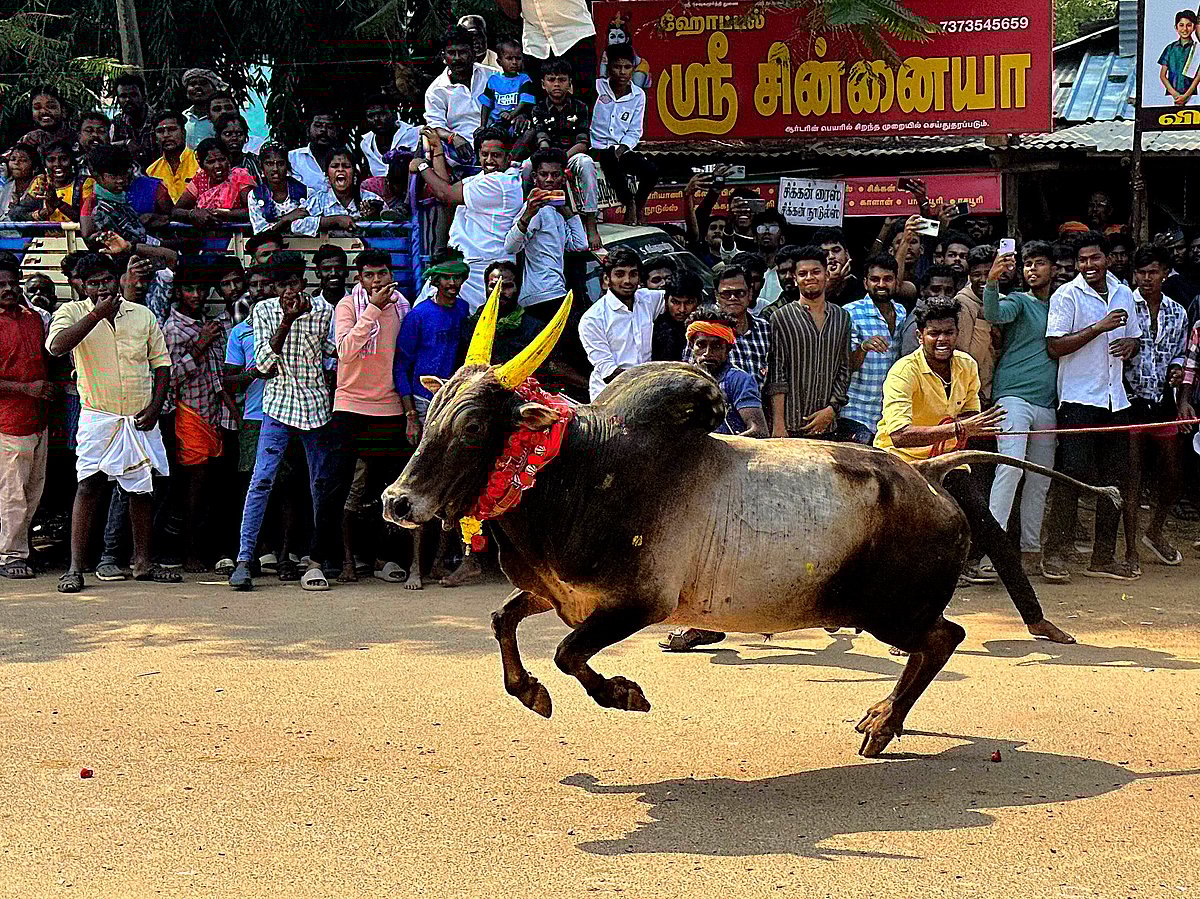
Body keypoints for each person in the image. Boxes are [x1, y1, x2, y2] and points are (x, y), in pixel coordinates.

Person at [874, 297, 1075, 644]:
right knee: (901, 547)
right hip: (901, 466)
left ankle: (1035, 619)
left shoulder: (966, 365)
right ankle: (903, 625)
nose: (942, 340)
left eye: (949, 332)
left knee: (992, 534)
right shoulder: (903, 371)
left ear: (957, 333)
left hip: (949, 461)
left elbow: (969, 416)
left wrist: (973, 426)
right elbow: (899, 435)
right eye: (934, 333)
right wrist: (959, 430)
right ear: (920, 335)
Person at [46, 253, 178, 593]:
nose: (101, 287)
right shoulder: (72, 313)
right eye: (93, 283)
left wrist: (156, 405)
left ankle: (143, 563)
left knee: (141, 489)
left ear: (117, 278)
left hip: (138, 415)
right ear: (81, 286)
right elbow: (57, 347)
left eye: (106, 280)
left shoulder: (142, 315)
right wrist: (96, 315)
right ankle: (75, 568)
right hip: (97, 415)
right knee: (88, 485)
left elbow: (162, 365)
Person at [228, 251, 341, 592]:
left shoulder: (325, 311)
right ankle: (245, 558)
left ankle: (319, 557)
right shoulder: (264, 311)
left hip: (316, 404)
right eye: (281, 285)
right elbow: (263, 364)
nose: (287, 291)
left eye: (292, 283)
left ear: (302, 282)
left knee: (320, 484)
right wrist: (288, 321)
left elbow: (332, 354)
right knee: (261, 480)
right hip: (277, 405)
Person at [658, 304, 767, 653]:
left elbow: (757, 430)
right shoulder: (681, 382)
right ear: (691, 346)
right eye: (699, 345)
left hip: (731, 481)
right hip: (690, 481)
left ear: (728, 348)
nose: (706, 353)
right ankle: (703, 622)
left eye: (715, 346)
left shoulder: (738, 381)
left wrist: (709, 446)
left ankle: (703, 624)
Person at [1042, 231, 1142, 582]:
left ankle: (1103, 557)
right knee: (1071, 477)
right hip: (1077, 400)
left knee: (1115, 480)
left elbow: (1134, 337)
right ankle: (1054, 554)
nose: (1089, 266)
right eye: (1083, 260)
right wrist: (1098, 328)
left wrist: (1131, 344)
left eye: (1094, 258)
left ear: (1107, 259)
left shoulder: (1124, 293)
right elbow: (1055, 347)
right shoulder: (1066, 296)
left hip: (1116, 400)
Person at [332, 248, 412, 585]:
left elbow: (404, 359)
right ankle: (348, 560)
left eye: (381, 274)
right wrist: (373, 312)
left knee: (387, 489)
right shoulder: (348, 306)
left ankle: (383, 559)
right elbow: (346, 351)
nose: (376, 280)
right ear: (359, 278)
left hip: (389, 407)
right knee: (350, 488)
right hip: (350, 406)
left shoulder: (403, 306)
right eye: (369, 275)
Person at [394, 250, 473, 589]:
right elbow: (401, 366)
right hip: (425, 402)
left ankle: (440, 561)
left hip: (452, 401)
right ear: (435, 280)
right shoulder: (418, 316)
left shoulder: (463, 311)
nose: (453, 284)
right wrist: (411, 414)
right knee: (420, 482)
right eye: (447, 278)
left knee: (447, 486)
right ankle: (415, 566)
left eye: (458, 278)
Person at [983, 241, 1060, 578]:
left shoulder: (1064, 304)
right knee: (1010, 470)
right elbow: (993, 314)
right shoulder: (1019, 301)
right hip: (1012, 396)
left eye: (1039, 263)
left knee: (1039, 479)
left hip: (1046, 402)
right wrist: (992, 281)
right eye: (1027, 264)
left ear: (1053, 269)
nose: (1032, 269)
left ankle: (1031, 551)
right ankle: (991, 555)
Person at [161, 260, 233, 572]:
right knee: (193, 489)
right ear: (178, 292)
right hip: (188, 415)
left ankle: (199, 550)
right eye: (190, 289)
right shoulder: (174, 330)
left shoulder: (205, 322)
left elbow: (217, 375)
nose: (197, 295)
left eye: (202, 289)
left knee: (207, 490)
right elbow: (168, 378)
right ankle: (189, 555)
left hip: (212, 414)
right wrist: (199, 347)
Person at [1123, 246, 1188, 572]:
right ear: (1135, 274)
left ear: (1165, 273)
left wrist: (1177, 370)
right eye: (1141, 272)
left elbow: (1181, 354)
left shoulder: (1178, 312)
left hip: (1163, 401)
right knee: (1132, 478)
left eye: (1153, 272)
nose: (1147, 278)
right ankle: (1131, 549)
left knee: (1174, 475)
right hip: (1129, 401)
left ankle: (1155, 531)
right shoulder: (1122, 306)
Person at [413, 127, 524, 310]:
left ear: (507, 157)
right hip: (465, 265)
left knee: (475, 329)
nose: (489, 161)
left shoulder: (500, 183)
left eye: (496, 155)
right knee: (425, 312)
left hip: (484, 269)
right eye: (484, 154)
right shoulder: (484, 177)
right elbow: (447, 189)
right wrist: (438, 151)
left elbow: (444, 194)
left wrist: (422, 166)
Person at [0, 256, 52, 579]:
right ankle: (9, 555)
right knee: (12, 492)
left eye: (11, 283)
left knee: (33, 489)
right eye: (1, 286)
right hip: (8, 421)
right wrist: (26, 388)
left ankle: (20, 548)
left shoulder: (33, 318)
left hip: (38, 419)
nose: (8, 290)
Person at [767, 246, 851, 439]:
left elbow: (844, 368)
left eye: (816, 272)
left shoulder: (842, 317)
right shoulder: (781, 317)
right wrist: (779, 425)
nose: (810, 277)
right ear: (795, 279)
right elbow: (777, 374)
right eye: (803, 274)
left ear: (826, 274)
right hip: (791, 426)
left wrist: (832, 409)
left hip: (828, 425)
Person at [522, 59, 601, 249]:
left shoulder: (580, 107)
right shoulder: (538, 108)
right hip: (546, 156)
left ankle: (591, 223)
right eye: (551, 79)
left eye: (562, 79)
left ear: (570, 83)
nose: (556, 84)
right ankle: (524, 212)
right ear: (543, 83)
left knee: (587, 163)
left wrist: (562, 159)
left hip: (571, 155)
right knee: (526, 167)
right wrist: (553, 161)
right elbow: (542, 140)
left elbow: (582, 143)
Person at [503, 147, 587, 308]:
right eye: (544, 174)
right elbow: (510, 246)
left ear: (562, 179)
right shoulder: (534, 210)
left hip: (556, 290)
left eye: (555, 175)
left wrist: (566, 210)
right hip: (540, 295)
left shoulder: (557, 213)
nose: (549, 180)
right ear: (535, 178)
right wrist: (528, 214)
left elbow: (579, 244)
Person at [578, 247, 665, 400]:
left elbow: (679, 300)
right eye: (620, 274)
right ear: (606, 279)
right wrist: (651, 383)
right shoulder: (592, 320)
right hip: (610, 397)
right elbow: (608, 372)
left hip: (648, 392)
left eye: (633, 274)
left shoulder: (648, 299)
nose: (627, 281)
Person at [842, 254, 908, 445]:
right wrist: (863, 347)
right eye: (875, 279)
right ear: (865, 283)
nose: (881, 284)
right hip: (855, 410)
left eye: (887, 279)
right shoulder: (851, 312)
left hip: (888, 413)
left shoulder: (902, 312)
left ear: (896, 282)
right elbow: (847, 365)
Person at [590, 42, 657, 226]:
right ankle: (629, 202)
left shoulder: (638, 95)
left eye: (627, 67)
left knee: (650, 170)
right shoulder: (597, 87)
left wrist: (622, 149)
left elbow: (635, 131)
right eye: (617, 67)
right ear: (609, 67)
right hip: (596, 147)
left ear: (633, 69)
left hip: (621, 149)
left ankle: (639, 203)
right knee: (609, 159)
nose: (622, 72)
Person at [495, 0, 596, 104]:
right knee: (539, 103)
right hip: (535, 41)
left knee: (584, 98)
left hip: (574, 34)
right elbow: (512, 13)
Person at [424, 26, 497, 151]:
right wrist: (454, 137)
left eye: (462, 52)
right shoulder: (436, 90)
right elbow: (435, 126)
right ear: (443, 56)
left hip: (497, 142)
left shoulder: (493, 76)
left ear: (473, 53)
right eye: (452, 53)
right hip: (458, 147)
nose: (457, 58)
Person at [293, 147, 385, 236]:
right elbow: (296, 225)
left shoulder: (371, 199)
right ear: (327, 174)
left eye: (346, 166)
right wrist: (334, 221)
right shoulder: (318, 201)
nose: (340, 170)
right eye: (334, 166)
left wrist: (374, 218)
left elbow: (392, 229)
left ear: (354, 173)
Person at [708, 264, 771, 393]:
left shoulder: (765, 329)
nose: (733, 298)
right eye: (726, 294)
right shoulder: (705, 331)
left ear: (750, 294)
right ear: (716, 296)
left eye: (739, 293)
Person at [954, 244, 998, 404]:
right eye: (976, 274)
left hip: (994, 389)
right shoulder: (962, 303)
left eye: (988, 274)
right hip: (973, 393)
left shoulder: (1002, 300)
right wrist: (982, 321)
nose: (982, 280)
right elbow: (968, 357)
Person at [173, 138, 253, 224]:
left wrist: (224, 213)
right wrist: (193, 213)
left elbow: (253, 210)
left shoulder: (239, 177)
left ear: (229, 159)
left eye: (222, 160)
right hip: (204, 235)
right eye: (211, 162)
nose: (217, 166)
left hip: (235, 235)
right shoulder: (199, 179)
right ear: (201, 165)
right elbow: (176, 211)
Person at [245, 142, 309, 234]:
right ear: (261, 166)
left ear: (287, 165)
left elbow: (307, 225)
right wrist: (285, 220)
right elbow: (260, 233)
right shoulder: (255, 196)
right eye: (269, 164)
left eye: (280, 163)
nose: (275, 169)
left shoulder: (304, 192)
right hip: (269, 246)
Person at [480, 39, 535, 138]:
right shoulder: (493, 80)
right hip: (496, 123)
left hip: (514, 122)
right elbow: (486, 104)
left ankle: (513, 154)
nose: (514, 62)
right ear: (499, 62)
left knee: (526, 133)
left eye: (518, 58)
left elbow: (524, 102)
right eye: (509, 58)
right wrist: (483, 125)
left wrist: (512, 114)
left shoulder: (524, 79)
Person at [32, 139, 93, 223]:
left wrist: (58, 203)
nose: (57, 164)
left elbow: (88, 219)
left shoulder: (86, 183)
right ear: (44, 164)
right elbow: (19, 213)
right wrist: (44, 213)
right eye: (51, 160)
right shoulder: (41, 181)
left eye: (63, 159)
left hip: (77, 235)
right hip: (45, 236)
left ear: (71, 161)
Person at [360, 94, 419, 178]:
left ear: (394, 112)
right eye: (371, 116)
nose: (376, 119)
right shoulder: (366, 144)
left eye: (382, 113)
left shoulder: (416, 134)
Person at [147, 111, 199, 203]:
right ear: (155, 138)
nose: (166, 135)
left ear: (183, 132)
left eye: (172, 129)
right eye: (160, 131)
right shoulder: (152, 171)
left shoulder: (199, 162)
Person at [651, 271, 703, 362]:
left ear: (698, 301)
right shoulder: (655, 329)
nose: (682, 309)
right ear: (666, 300)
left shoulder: (707, 327)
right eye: (675, 302)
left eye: (689, 302)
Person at [110, 73, 158, 168]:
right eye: (123, 96)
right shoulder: (117, 123)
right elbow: (106, 148)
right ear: (118, 100)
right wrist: (125, 143)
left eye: (133, 95)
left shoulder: (158, 120)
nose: (128, 100)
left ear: (144, 96)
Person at [288, 112, 344, 193]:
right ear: (308, 129)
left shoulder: (344, 160)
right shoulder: (293, 158)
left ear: (337, 132)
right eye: (318, 126)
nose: (323, 130)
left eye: (330, 127)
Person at [1158, 9, 1200, 106]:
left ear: (1194, 28)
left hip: (1192, 98)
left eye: (1189, 25)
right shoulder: (1170, 48)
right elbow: (1163, 75)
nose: (1185, 29)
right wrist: (1175, 94)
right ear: (1176, 27)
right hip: (1170, 97)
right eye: (1181, 25)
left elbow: (1198, 76)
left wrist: (1185, 96)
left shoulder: (1197, 50)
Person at [750, 209, 788, 307]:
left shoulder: (787, 273)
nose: (767, 232)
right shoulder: (746, 268)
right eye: (761, 228)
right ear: (754, 237)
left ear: (782, 239)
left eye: (773, 229)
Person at [815, 227, 861, 307]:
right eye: (824, 252)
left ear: (847, 254)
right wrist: (832, 283)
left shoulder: (861, 286)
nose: (831, 256)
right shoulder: (811, 283)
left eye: (836, 250)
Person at [19, 87, 74, 153]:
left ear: (64, 111)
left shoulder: (76, 137)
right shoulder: (30, 140)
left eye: (51, 106)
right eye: (37, 108)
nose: (43, 111)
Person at [180, 68, 225, 148]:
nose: (197, 87)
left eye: (203, 83)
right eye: (193, 84)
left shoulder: (221, 117)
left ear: (214, 89)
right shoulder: (183, 117)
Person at [1, 144, 47, 221]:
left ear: (35, 167)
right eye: (13, 159)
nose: (16, 163)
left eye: (23, 160)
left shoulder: (39, 185)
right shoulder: (6, 186)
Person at [214, 112, 263, 184]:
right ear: (218, 137)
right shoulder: (212, 164)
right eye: (228, 134)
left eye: (239, 134)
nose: (234, 138)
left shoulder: (255, 162)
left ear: (246, 137)